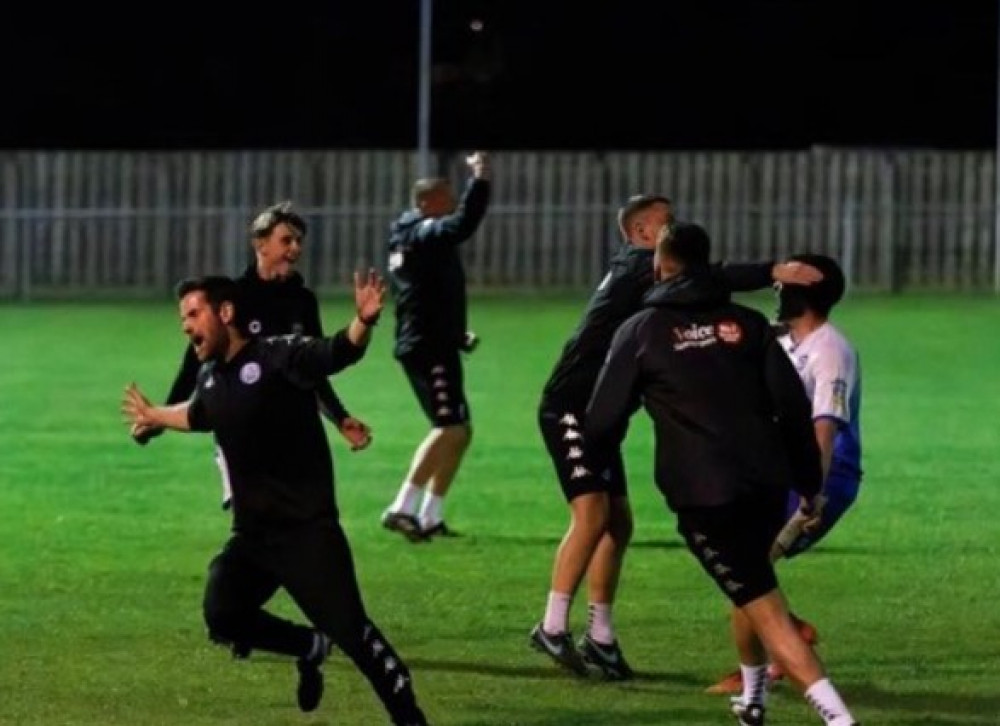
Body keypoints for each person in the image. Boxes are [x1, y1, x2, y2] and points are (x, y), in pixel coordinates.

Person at [529, 194, 824, 680]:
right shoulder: (639, 267)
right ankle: (552, 625)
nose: (676, 228)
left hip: (604, 410)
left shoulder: (639, 270)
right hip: (573, 409)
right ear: (643, 233)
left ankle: (600, 637)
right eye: (667, 223)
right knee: (593, 513)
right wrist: (774, 270)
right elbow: (712, 276)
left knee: (618, 523)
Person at [120, 273, 428, 726]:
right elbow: (197, 413)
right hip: (253, 539)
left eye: (193, 314)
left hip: (307, 533)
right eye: (182, 318)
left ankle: (410, 716)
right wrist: (155, 417)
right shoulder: (210, 377)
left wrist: (362, 322)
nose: (186, 326)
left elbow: (337, 352)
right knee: (222, 612)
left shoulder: (279, 355)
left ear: (225, 313)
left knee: (355, 635)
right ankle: (309, 646)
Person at [585, 222, 859, 726]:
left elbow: (600, 420)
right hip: (765, 485)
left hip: (705, 496)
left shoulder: (640, 330)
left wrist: (598, 475)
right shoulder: (750, 325)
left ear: (661, 265)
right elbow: (793, 409)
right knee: (750, 590)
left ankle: (838, 719)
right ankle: (752, 699)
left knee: (767, 610)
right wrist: (807, 485)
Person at [133, 202, 372, 505]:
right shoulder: (234, 297)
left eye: (299, 241)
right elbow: (196, 360)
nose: (295, 248)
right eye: (286, 240)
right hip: (241, 428)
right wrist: (163, 416)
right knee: (255, 515)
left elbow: (313, 368)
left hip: (291, 429)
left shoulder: (303, 301)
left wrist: (340, 418)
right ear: (261, 244)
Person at [707, 253, 863, 696]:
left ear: (804, 293)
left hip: (820, 476)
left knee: (749, 573)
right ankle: (790, 635)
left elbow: (825, 430)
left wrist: (812, 493)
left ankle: (756, 680)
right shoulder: (785, 340)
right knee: (727, 555)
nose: (776, 290)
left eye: (785, 284)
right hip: (777, 472)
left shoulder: (830, 350)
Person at [380, 151, 491, 540]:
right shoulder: (421, 231)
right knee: (450, 427)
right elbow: (462, 225)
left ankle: (430, 514)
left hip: (433, 340)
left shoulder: (412, 237)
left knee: (461, 430)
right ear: (427, 203)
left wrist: (456, 332)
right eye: (446, 198)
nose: (452, 204)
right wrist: (481, 178)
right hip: (427, 346)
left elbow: (424, 293)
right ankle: (401, 507)